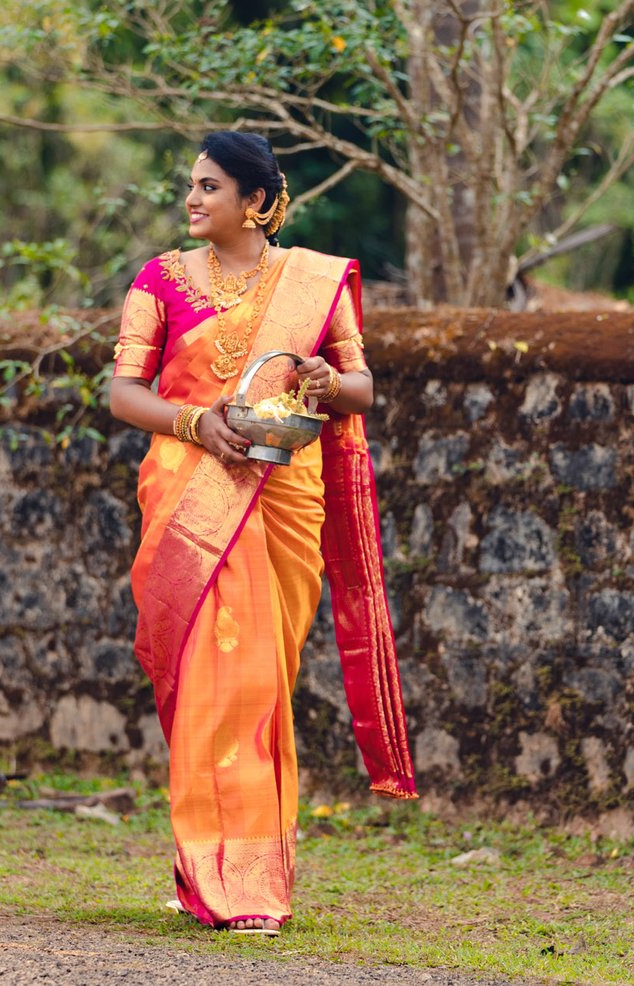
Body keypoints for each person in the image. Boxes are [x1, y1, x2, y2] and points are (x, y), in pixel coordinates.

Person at [108, 131, 416, 937]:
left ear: (256, 202)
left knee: (257, 687)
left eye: (210, 187)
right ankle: (214, 872)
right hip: (188, 493)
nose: (192, 198)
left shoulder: (314, 282)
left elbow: (360, 388)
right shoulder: (158, 280)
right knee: (204, 684)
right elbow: (123, 393)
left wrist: (326, 379)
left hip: (281, 494)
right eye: (192, 185)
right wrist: (195, 422)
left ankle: (243, 874)